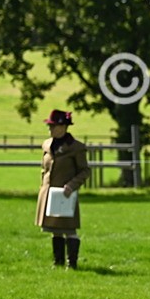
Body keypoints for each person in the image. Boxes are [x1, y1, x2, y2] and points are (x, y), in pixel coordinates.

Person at [35, 109, 91, 269]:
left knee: (69, 229)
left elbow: (85, 170)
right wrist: (42, 188)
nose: (50, 129)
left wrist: (72, 186)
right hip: (49, 193)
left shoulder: (76, 148)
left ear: (63, 127)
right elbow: (43, 169)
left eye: (53, 126)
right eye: (50, 126)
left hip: (66, 195)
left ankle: (71, 263)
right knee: (55, 229)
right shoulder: (46, 145)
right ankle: (57, 262)